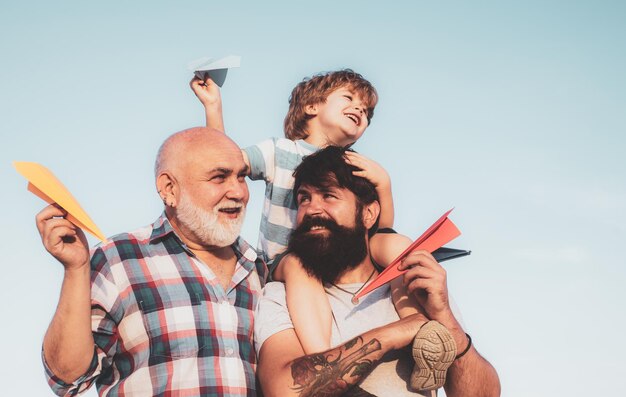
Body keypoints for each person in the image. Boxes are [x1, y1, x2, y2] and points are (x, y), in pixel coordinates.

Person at [190, 71, 447, 389]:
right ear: (312, 106)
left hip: (343, 251)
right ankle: (327, 366)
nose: (359, 110)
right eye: (349, 99)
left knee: (398, 247)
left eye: (366, 111)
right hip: (286, 258)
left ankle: (425, 335)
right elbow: (224, 161)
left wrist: (384, 183)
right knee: (301, 266)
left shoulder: (355, 163)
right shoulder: (280, 151)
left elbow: (381, 226)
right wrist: (213, 106)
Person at [36, 127, 267, 396]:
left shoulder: (258, 268)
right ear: (169, 189)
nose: (238, 192)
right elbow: (67, 378)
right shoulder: (118, 258)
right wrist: (75, 270)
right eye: (219, 177)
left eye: (241, 177)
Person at [254, 146, 500, 397]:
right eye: (304, 198)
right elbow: (283, 391)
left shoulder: (416, 286)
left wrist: (443, 315)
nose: (312, 209)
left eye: (329, 195)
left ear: (369, 214)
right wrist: (397, 332)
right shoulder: (280, 297)